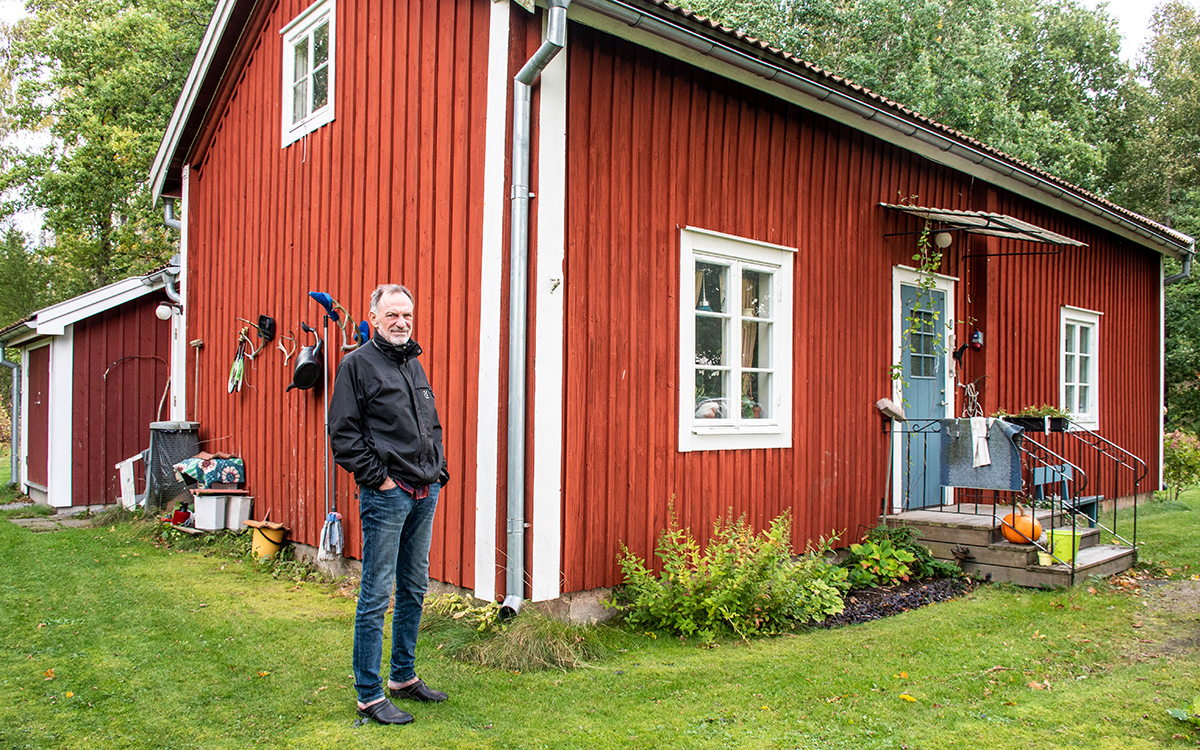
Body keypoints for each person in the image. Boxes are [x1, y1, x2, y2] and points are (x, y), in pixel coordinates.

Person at [329, 283, 450, 726]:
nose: (401, 323)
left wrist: (438, 468)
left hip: (424, 490)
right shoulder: (356, 365)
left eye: (408, 316)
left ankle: (402, 677)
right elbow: (343, 433)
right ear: (375, 318)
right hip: (388, 494)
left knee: (414, 587)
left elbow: (429, 422)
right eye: (393, 315)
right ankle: (368, 694)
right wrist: (378, 480)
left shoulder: (412, 364)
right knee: (377, 594)